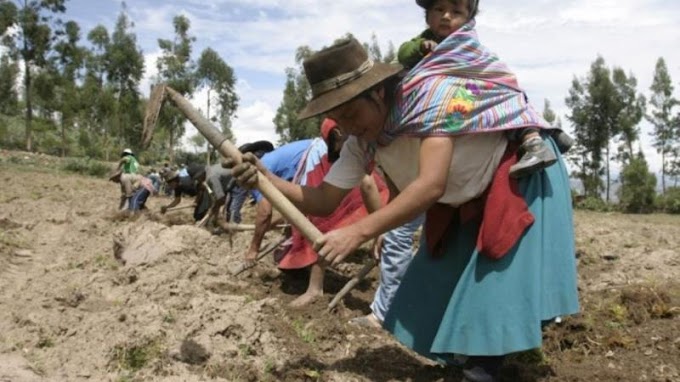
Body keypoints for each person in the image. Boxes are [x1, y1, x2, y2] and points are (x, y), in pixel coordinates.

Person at [229, 35, 579, 382]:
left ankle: (484, 365)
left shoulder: (426, 99)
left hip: (518, 175)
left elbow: (430, 185)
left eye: (352, 113)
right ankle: (470, 357)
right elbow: (323, 199)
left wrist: (360, 231)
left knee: (493, 279)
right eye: (340, 119)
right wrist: (266, 179)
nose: (350, 127)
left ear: (377, 92)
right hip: (466, 196)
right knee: (440, 281)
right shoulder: (361, 142)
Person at [397, 0, 572, 179]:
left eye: (456, 12)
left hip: (471, 86)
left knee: (503, 98)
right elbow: (403, 54)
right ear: (427, 16)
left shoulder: (467, 42)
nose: (446, 16)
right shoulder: (424, 39)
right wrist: (420, 47)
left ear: (468, 20)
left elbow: (484, 67)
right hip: (448, 89)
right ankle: (551, 132)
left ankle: (534, 143)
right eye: (439, 9)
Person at [227, 141, 275, 224]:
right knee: (232, 207)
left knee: (234, 207)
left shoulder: (260, 166)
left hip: (242, 186)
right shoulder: (261, 162)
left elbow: (265, 212)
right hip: (241, 184)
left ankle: (234, 223)